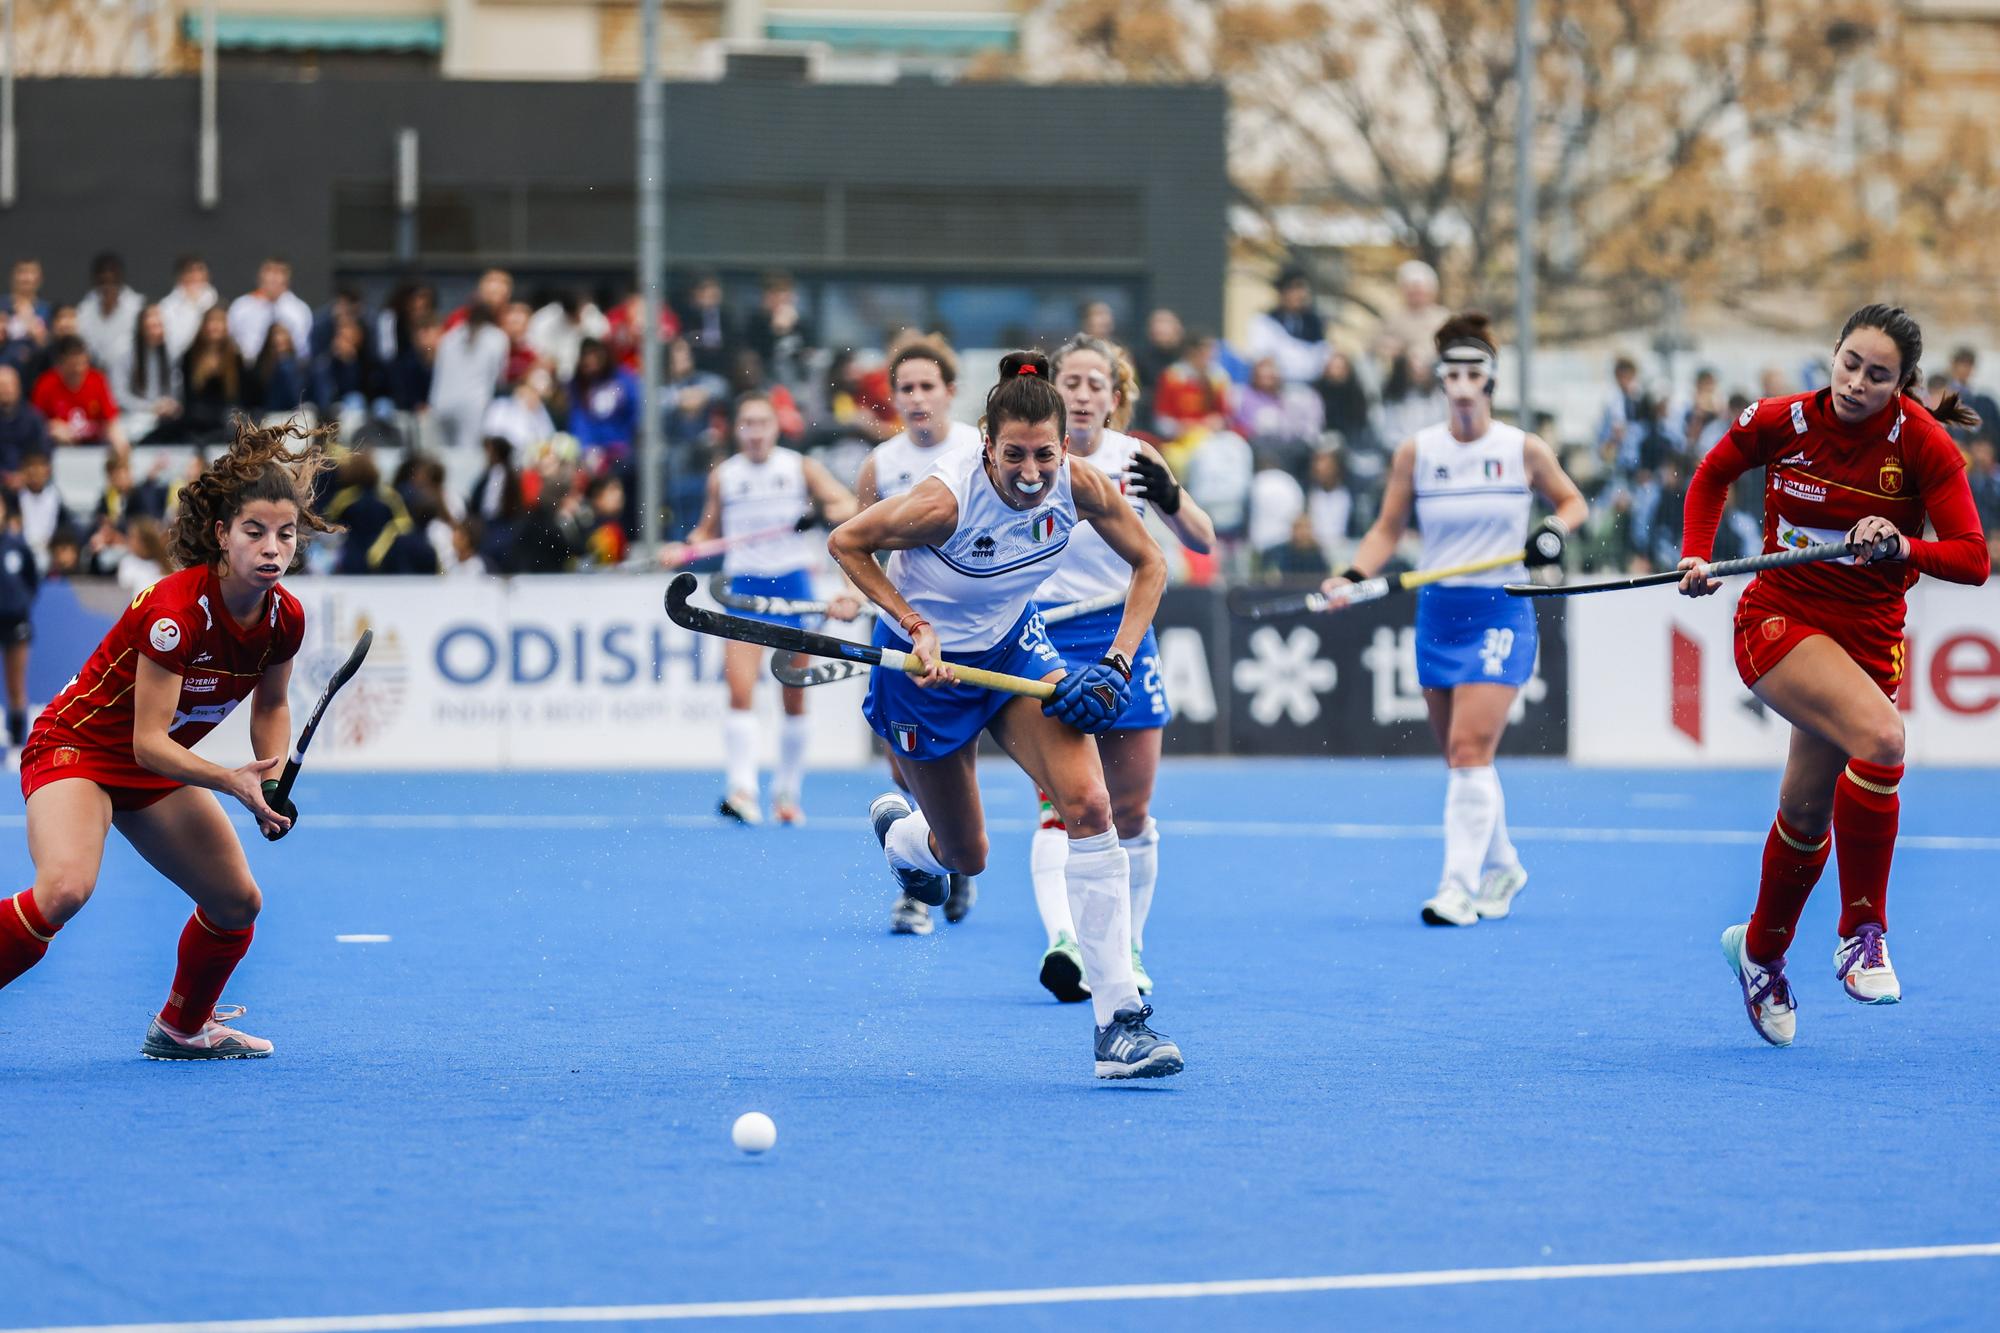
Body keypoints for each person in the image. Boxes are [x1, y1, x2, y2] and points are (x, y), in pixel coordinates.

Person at [826, 351, 1182, 1079]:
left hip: (1014, 650)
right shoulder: (942, 503)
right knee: (967, 857)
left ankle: (1120, 1023)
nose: (1030, 472)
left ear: (1063, 447)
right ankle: (906, 839)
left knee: (1089, 805)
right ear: (986, 444)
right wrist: (911, 621)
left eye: (1044, 454)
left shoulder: (1078, 486)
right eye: (1013, 454)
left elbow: (1152, 565)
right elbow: (847, 542)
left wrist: (1114, 663)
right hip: (925, 674)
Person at [1678, 305, 1990, 1047]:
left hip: (1866, 642)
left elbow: (1974, 559)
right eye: (1849, 362)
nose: (1855, 382)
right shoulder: (1782, 421)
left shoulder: (1923, 444)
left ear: (1903, 384)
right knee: (1882, 740)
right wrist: (1696, 552)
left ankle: (1757, 951)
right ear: (1835, 354)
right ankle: (1861, 930)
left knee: (1808, 814)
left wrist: (1903, 544)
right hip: (1777, 622)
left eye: (1877, 375)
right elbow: (1713, 472)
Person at [0, 421, 339, 1058]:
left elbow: (271, 705)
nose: (272, 549)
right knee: (64, 890)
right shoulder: (175, 613)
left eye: (286, 534)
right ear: (221, 535)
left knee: (237, 902)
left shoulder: (284, 617)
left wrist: (266, 782)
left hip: (150, 766)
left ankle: (184, 1028)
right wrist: (229, 781)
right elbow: (149, 743)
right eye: (254, 532)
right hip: (79, 749)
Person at [1323, 311, 1588, 927]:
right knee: (1462, 758)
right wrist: (1353, 578)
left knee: (1471, 747)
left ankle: (1457, 887)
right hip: (1438, 608)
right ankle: (1505, 864)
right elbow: (1388, 528)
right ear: (1441, 382)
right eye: (1453, 374)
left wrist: (1551, 530)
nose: (1464, 384)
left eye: (1475, 373)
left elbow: (1572, 502)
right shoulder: (1418, 451)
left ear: (1489, 381)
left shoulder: (1522, 449)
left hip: (1501, 607)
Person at [1026, 334, 1214, 1003]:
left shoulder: (1137, 457)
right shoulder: (1029, 455)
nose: (1080, 393)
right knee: (1062, 806)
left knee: (1131, 811)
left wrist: (1170, 494)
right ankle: (1067, 942)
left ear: (1115, 395)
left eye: (1093, 383)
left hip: (1124, 632)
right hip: (1045, 637)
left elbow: (1201, 539)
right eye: (1068, 381)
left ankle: (1128, 946)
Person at [670, 392, 860, 825]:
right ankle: (742, 790)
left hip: (793, 587)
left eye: (762, 424)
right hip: (744, 593)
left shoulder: (799, 467)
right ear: (737, 430)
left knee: (793, 696)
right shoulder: (726, 476)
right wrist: (685, 549)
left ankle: (787, 793)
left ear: (776, 428)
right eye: (747, 424)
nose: (755, 432)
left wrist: (822, 510)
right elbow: (708, 530)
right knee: (739, 690)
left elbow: (847, 507)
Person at [852, 339, 983, 936]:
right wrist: (854, 597)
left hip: (976, 632)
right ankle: (917, 889)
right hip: (907, 629)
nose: (916, 398)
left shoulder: (981, 451)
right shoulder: (879, 465)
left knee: (957, 759)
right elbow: (862, 549)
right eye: (905, 388)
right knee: (903, 761)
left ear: (950, 391)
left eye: (928, 386)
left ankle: (953, 864)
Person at [0, 487, 39, 759]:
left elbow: (31, 579)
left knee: (16, 684)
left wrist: (20, 602)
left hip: (16, 622)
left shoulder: (17, 546)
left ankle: (17, 745)